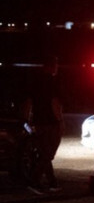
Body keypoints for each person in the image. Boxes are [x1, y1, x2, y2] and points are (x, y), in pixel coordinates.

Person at [27, 56, 64, 194]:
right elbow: (55, 102)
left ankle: (52, 182)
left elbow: (29, 101)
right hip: (51, 123)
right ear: (52, 66)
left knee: (44, 152)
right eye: (56, 65)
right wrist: (60, 121)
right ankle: (34, 181)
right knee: (48, 154)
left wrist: (28, 119)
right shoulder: (52, 83)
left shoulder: (35, 82)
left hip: (38, 122)